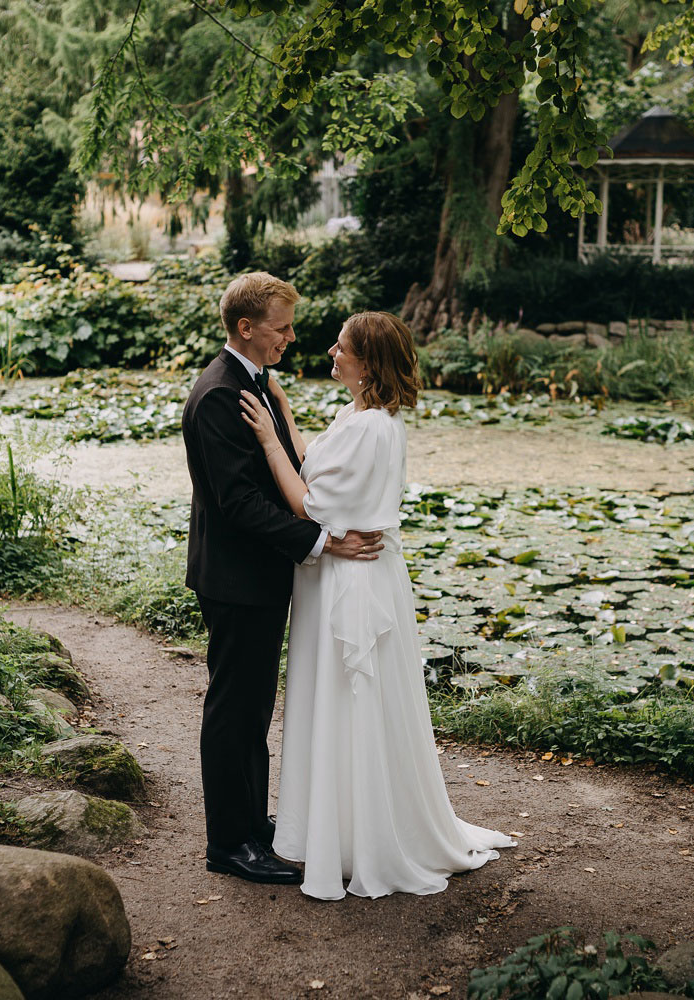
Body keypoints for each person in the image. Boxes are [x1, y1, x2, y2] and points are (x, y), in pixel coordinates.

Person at [239, 310, 515, 900]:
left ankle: (356, 838)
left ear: (367, 363)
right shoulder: (362, 414)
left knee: (350, 702)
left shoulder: (371, 428)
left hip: (348, 582)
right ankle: (337, 826)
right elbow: (320, 464)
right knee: (347, 702)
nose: (330, 353)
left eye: (341, 348)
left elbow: (308, 504)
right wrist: (285, 414)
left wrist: (267, 440)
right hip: (351, 570)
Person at [182, 272, 387, 885]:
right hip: (236, 580)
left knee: (252, 709)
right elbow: (238, 502)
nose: (293, 338)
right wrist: (325, 542)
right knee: (233, 710)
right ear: (246, 328)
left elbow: (288, 469)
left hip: (262, 576)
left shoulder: (259, 385)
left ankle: (252, 822)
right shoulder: (220, 394)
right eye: (282, 327)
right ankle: (229, 843)